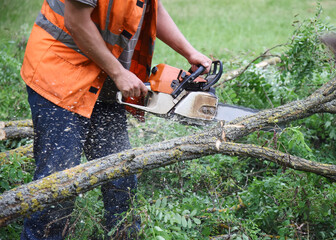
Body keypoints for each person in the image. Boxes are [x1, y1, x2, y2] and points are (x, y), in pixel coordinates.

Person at [20, 0, 212, 239]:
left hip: (105, 83)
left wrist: (189, 52)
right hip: (61, 80)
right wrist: (120, 73)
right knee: (58, 184)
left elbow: (154, 9)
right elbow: (76, 21)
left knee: (121, 177)